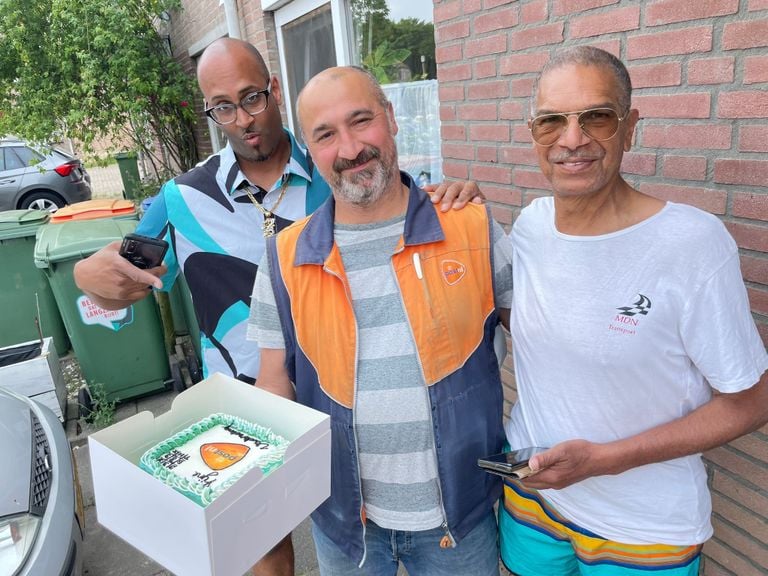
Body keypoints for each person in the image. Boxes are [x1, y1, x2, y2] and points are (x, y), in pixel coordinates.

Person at [72, 38, 482, 576]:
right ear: (210, 112)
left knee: (345, 524)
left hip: (336, 393)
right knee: (263, 552)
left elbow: (400, 206)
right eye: (223, 106)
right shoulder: (182, 198)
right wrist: (89, 279)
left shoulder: (334, 163)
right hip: (243, 407)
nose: (242, 119)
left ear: (275, 91)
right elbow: (121, 281)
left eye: (252, 98)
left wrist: (451, 194)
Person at [499, 45, 768, 576]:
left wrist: (603, 461)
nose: (572, 139)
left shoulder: (691, 244)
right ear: (533, 132)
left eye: (596, 117)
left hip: (643, 529)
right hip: (532, 503)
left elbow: (752, 402)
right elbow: (538, 324)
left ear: (630, 126)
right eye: (551, 121)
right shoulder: (530, 226)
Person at [249, 66, 513, 575]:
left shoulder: (469, 225)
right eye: (326, 135)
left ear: (390, 119)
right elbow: (273, 380)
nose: (349, 149)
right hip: (346, 525)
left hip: (457, 521)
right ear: (308, 147)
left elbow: (541, 340)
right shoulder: (285, 255)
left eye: (361, 121)